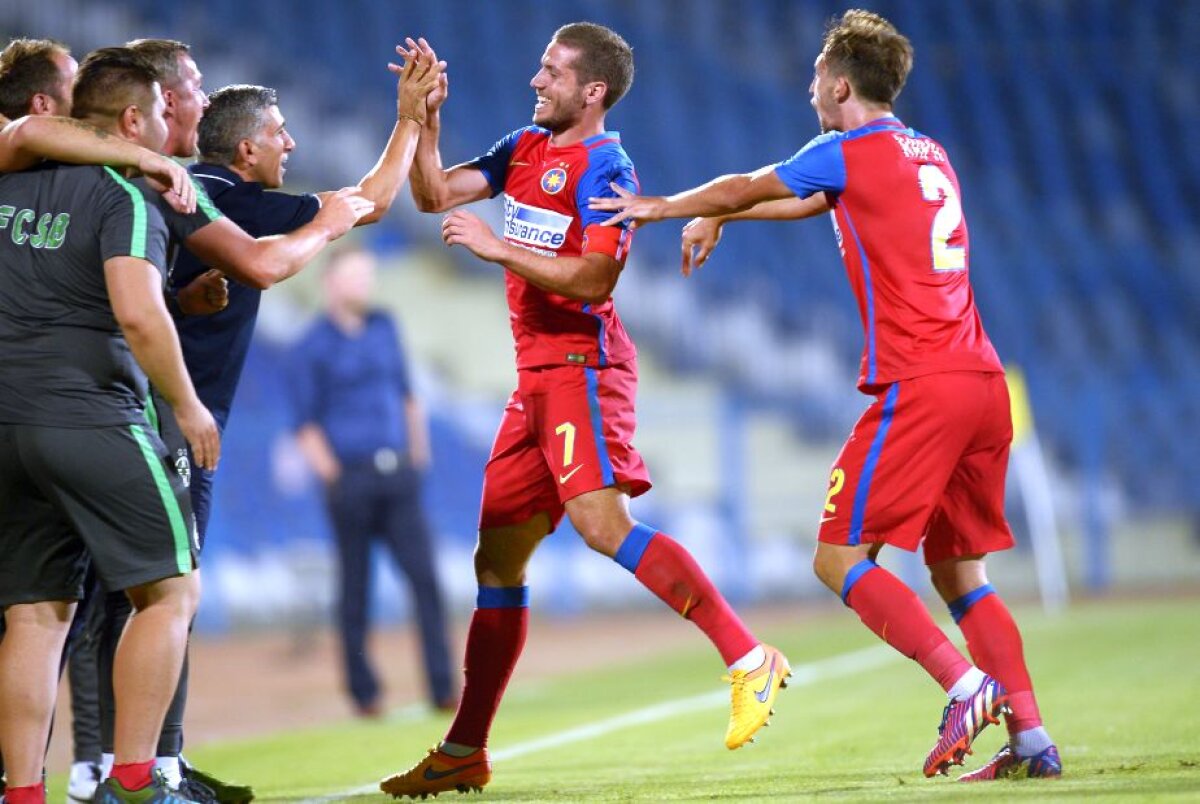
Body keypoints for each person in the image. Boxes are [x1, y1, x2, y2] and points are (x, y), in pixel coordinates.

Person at [590, 8, 1061, 783]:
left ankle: (965, 687)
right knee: (960, 576)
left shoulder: (849, 146)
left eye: (816, 74)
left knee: (838, 556)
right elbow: (802, 201)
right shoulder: (924, 151)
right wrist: (719, 215)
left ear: (839, 83)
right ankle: (1032, 740)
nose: (809, 84)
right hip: (982, 382)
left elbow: (753, 183)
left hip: (923, 383)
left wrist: (667, 205)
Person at [378, 24, 790, 800]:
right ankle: (465, 750)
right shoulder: (525, 145)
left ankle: (748, 657)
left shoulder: (607, 165)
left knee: (603, 527)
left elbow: (597, 277)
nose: (537, 81)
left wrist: (500, 249)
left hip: (582, 370)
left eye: (553, 72)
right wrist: (421, 122)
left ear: (592, 90)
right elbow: (433, 194)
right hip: (532, 381)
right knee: (496, 563)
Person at [74, 38, 376, 804]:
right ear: (155, 106)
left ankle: (116, 771)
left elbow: (119, 304)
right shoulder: (158, 188)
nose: (203, 99)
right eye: (196, 86)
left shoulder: (137, 183)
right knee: (142, 596)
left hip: (86, 407)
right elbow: (262, 266)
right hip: (128, 416)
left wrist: (180, 303)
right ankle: (124, 774)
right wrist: (185, 402)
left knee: (79, 601)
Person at [0, 47, 220, 804]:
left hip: (5, 424)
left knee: (34, 616)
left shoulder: (11, 177)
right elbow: (136, 309)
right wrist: (188, 406)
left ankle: (21, 794)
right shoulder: (126, 197)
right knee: (170, 594)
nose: (168, 125)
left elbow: (25, 139)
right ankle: (135, 783)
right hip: (89, 416)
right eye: (162, 111)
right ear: (133, 120)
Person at [287, 249, 456, 717]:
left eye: (368, 275)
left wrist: (417, 457)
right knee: (356, 587)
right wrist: (334, 477)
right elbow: (305, 423)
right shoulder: (310, 347)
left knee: (425, 580)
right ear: (330, 283)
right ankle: (364, 693)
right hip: (351, 480)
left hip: (399, 474)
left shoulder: (385, 326)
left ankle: (443, 686)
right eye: (355, 276)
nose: (364, 284)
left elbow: (408, 396)